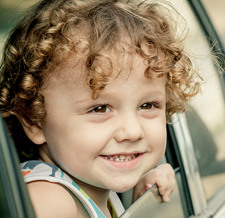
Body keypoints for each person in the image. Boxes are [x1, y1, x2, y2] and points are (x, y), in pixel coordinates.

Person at [0, 0, 201, 217]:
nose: (133, 132)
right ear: (33, 120)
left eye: (147, 105)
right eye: (100, 109)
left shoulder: (92, 187)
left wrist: (140, 203)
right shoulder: (49, 200)